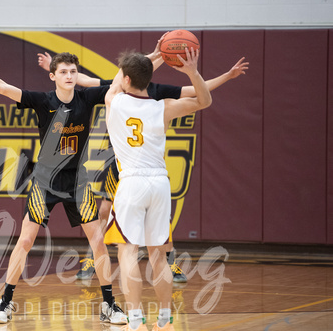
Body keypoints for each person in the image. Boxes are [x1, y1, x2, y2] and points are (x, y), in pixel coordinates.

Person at [0, 42, 128, 325]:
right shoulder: (42, 101)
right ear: (52, 75)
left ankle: (109, 305)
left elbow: (122, 80)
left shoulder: (87, 98)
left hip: (77, 182)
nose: (69, 75)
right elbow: (3, 87)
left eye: (73, 71)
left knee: (98, 241)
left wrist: (153, 57)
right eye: (63, 71)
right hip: (45, 181)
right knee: (26, 239)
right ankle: (5, 303)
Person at [38, 50, 249, 282]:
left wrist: (227, 76)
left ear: (128, 77)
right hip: (125, 166)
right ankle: (93, 257)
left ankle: (169, 262)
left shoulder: (133, 92)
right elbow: (84, 80)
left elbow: (195, 91)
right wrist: (52, 68)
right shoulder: (121, 90)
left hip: (144, 165)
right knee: (105, 211)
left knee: (151, 226)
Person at [106, 48, 211, 331]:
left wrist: (156, 54)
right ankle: (165, 324)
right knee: (158, 255)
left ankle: (136, 325)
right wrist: (191, 70)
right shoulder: (163, 106)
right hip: (159, 183)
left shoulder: (113, 102)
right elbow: (205, 100)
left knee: (127, 252)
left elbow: (118, 81)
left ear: (126, 78)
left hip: (131, 183)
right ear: (149, 80)